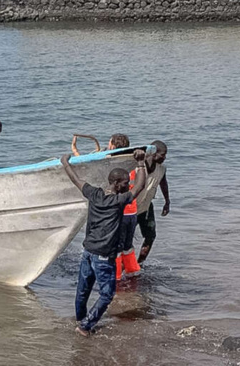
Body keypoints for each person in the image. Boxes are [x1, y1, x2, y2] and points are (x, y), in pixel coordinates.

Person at [61, 150, 146, 336]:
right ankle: (85, 326)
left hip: (88, 251)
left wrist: (65, 163)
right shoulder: (118, 201)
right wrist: (140, 162)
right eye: (125, 183)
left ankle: (80, 319)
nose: (128, 185)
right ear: (116, 183)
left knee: (83, 291)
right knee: (107, 295)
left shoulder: (94, 194)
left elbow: (76, 180)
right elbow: (140, 186)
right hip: (103, 256)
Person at [117, 140, 170, 278]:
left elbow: (163, 183)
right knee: (124, 241)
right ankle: (120, 267)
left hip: (146, 208)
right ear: (153, 153)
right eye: (162, 154)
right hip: (130, 210)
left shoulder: (161, 169)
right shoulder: (137, 168)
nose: (164, 158)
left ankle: (139, 263)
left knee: (150, 236)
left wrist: (167, 201)